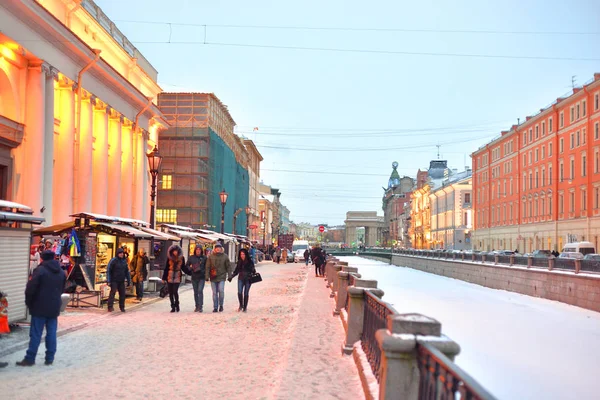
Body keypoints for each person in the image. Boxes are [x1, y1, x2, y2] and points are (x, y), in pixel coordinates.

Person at [16, 250, 66, 366]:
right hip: (54, 306)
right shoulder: (61, 272)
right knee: (52, 333)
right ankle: (49, 358)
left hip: (39, 306)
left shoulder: (40, 270)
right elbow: (62, 289)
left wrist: (29, 303)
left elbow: (30, 289)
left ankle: (30, 358)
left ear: (42, 258)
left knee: (36, 333)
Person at [205, 243, 232, 312]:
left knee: (221, 290)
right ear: (214, 249)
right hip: (213, 277)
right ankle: (215, 307)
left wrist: (229, 275)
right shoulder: (211, 257)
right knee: (214, 293)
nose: (218, 249)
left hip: (222, 276)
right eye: (216, 247)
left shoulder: (225, 256)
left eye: (219, 247)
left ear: (221, 249)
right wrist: (207, 276)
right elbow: (207, 267)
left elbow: (228, 266)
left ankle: (221, 305)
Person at [230, 248, 256, 312]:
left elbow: (254, 271)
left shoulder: (250, 261)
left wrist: (252, 271)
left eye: (243, 254)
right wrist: (231, 276)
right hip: (240, 278)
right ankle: (241, 305)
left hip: (248, 279)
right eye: (241, 254)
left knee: (246, 293)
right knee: (239, 292)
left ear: (246, 254)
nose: (242, 255)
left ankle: (245, 307)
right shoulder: (239, 262)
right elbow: (236, 271)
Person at [162, 244, 186, 313]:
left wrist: (191, 272)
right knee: (170, 292)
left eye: (176, 251)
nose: (175, 252)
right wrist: (163, 278)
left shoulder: (181, 258)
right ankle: (172, 306)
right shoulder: (169, 258)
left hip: (177, 276)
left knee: (175, 291)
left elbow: (183, 267)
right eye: (174, 251)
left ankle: (177, 304)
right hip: (169, 276)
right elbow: (166, 268)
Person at [106, 248, 131, 313]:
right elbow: (109, 270)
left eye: (122, 253)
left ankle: (122, 307)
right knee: (112, 293)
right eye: (120, 253)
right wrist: (108, 280)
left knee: (122, 294)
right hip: (114, 280)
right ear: (117, 254)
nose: (122, 254)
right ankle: (110, 307)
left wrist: (129, 280)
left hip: (121, 280)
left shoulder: (124, 261)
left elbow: (127, 271)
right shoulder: (113, 260)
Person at [186, 246, 207, 312]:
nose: (198, 251)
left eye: (199, 249)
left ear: (201, 250)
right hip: (194, 277)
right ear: (195, 250)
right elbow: (187, 265)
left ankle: (200, 306)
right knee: (195, 292)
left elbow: (207, 266)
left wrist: (204, 272)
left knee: (200, 291)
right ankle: (197, 306)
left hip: (202, 277)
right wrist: (191, 269)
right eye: (197, 249)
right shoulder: (191, 257)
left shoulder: (204, 258)